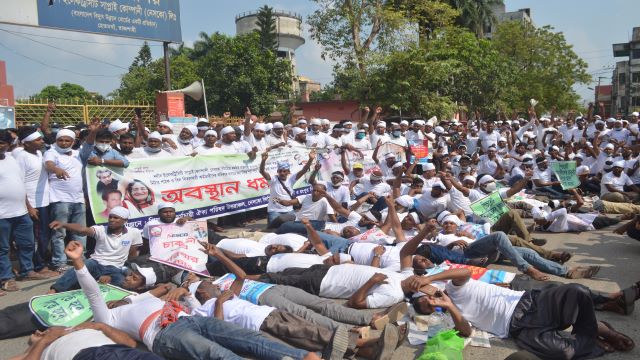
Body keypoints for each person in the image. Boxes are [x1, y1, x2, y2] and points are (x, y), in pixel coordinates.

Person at [64, 240, 316, 360]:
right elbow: (93, 293)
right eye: (111, 301)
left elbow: (162, 286)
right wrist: (78, 262)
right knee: (219, 354)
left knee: (247, 339)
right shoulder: (108, 317)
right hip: (165, 333)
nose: (113, 301)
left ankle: (302, 356)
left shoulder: (138, 298)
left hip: (191, 319)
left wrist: (177, 291)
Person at [188, 242, 401, 359]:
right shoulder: (217, 300)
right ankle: (349, 335)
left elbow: (241, 275)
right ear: (202, 293)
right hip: (264, 299)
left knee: (322, 304)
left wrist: (219, 254)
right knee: (308, 317)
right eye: (206, 284)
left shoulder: (224, 282)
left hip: (274, 287)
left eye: (209, 281)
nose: (211, 283)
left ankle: (371, 318)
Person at [411, 268, 635, 359]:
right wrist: (448, 306)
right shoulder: (448, 316)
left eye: (427, 297)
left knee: (577, 291)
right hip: (519, 329)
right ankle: (595, 333)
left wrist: (429, 279)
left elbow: (466, 271)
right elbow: (467, 330)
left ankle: (597, 329)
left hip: (529, 303)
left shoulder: (454, 285)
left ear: (429, 290)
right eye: (429, 307)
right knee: (563, 353)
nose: (431, 302)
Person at [49, 206, 142, 292]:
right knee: (79, 268)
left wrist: (123, 271)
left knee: (123, 285)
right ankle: (54, 290)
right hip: (96, 263)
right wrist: (64, 224)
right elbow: (82, 229)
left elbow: (133, 255)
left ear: (125, 221)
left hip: (116, 268)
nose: (111, 220)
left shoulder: (134, 233)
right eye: (110, 217)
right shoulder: (101, 230)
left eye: (116, 218)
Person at [0, 130, 48, 292]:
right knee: (3, 248)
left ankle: (27, 271)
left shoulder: (11, 158)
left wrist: (28, 207)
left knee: (27, 244)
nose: (2, 145)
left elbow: (21, 184)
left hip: (21, 212)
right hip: (2, 215)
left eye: (4, 142)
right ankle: (6, 278)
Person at [14, 127, 56, 276]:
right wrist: (29, 206)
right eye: (38, 140)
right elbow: (18, 183)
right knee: (34, 238)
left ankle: (40, 264)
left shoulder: (39, 153)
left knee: (44, 235)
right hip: (32, 204)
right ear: (26, 143)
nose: (41, 141)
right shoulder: (21, 157)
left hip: (44, 201)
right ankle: (36, 267)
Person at [44, 128, 86, 273]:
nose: (63, 143)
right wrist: (56, 170)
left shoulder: (77, 154)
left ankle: (79, 259)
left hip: (78, 199)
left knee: (79, 232)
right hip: (60, 199)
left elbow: (90, 146)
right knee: (59, 232)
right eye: (60, 140)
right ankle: (59, 262)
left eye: (67, 140)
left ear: (73, 142)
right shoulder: (51, 152)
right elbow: (48, 164)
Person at [9, 323, 161, 360]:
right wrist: (42, 342)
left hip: (116, 352)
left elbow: (131, 344)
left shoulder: (79, 329)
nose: (38, 332)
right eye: (38, 334)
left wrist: (101, 326)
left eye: (44, 329)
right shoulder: (33, 352)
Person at [260, 149, 314, 226]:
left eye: (284, 171)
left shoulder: (291, 179)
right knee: (274, 230)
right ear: (277, 171)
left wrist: (310, 159)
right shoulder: (273, 179)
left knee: (292, 229)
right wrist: (263, 161)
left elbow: (304, 170)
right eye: (280, 171)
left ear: (288, 172)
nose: (282, 173)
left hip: (289, 210)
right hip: (274, 211)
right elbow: (262, 171)